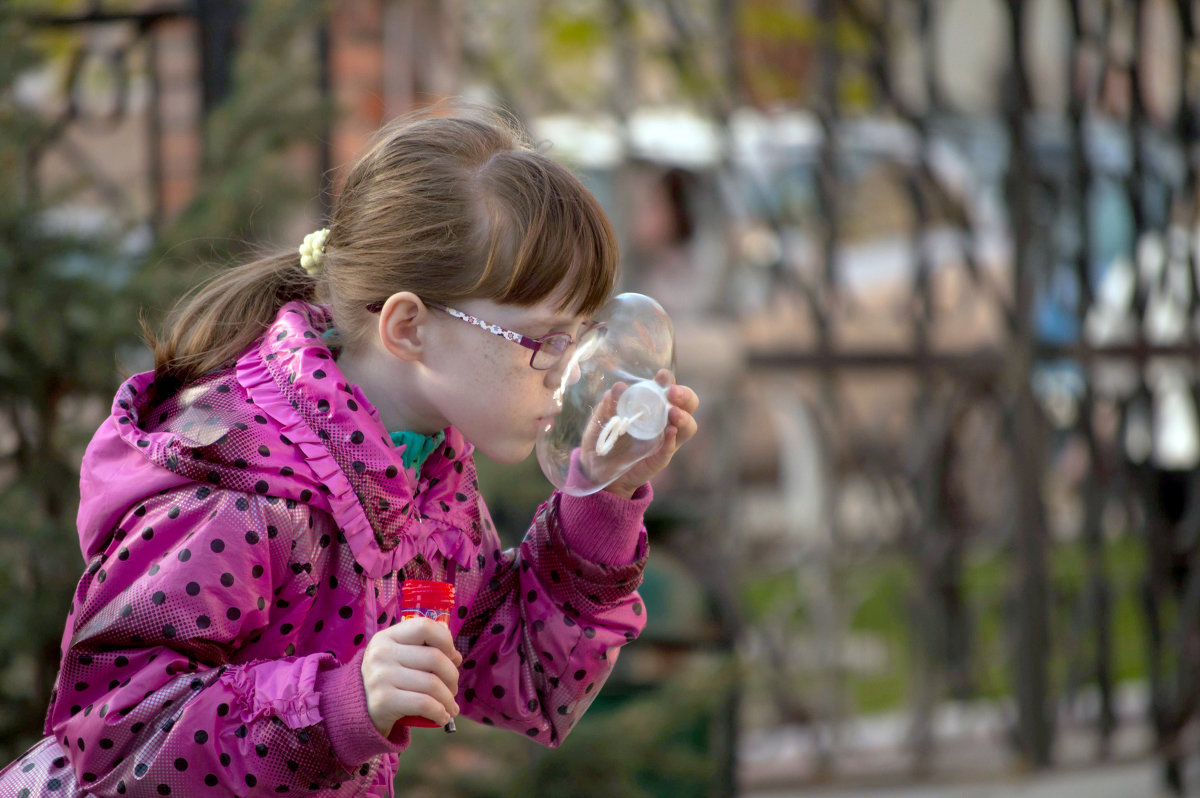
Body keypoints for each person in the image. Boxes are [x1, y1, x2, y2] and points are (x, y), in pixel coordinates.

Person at [0, 108, 699, 797]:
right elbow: (117, 739)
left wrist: (604, 497)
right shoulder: (237, 487)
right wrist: (338, 705)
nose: (570, 372)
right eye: (546, 343)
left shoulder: (425, 475)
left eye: (582, 336)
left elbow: (519, 677)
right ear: (409, 329)